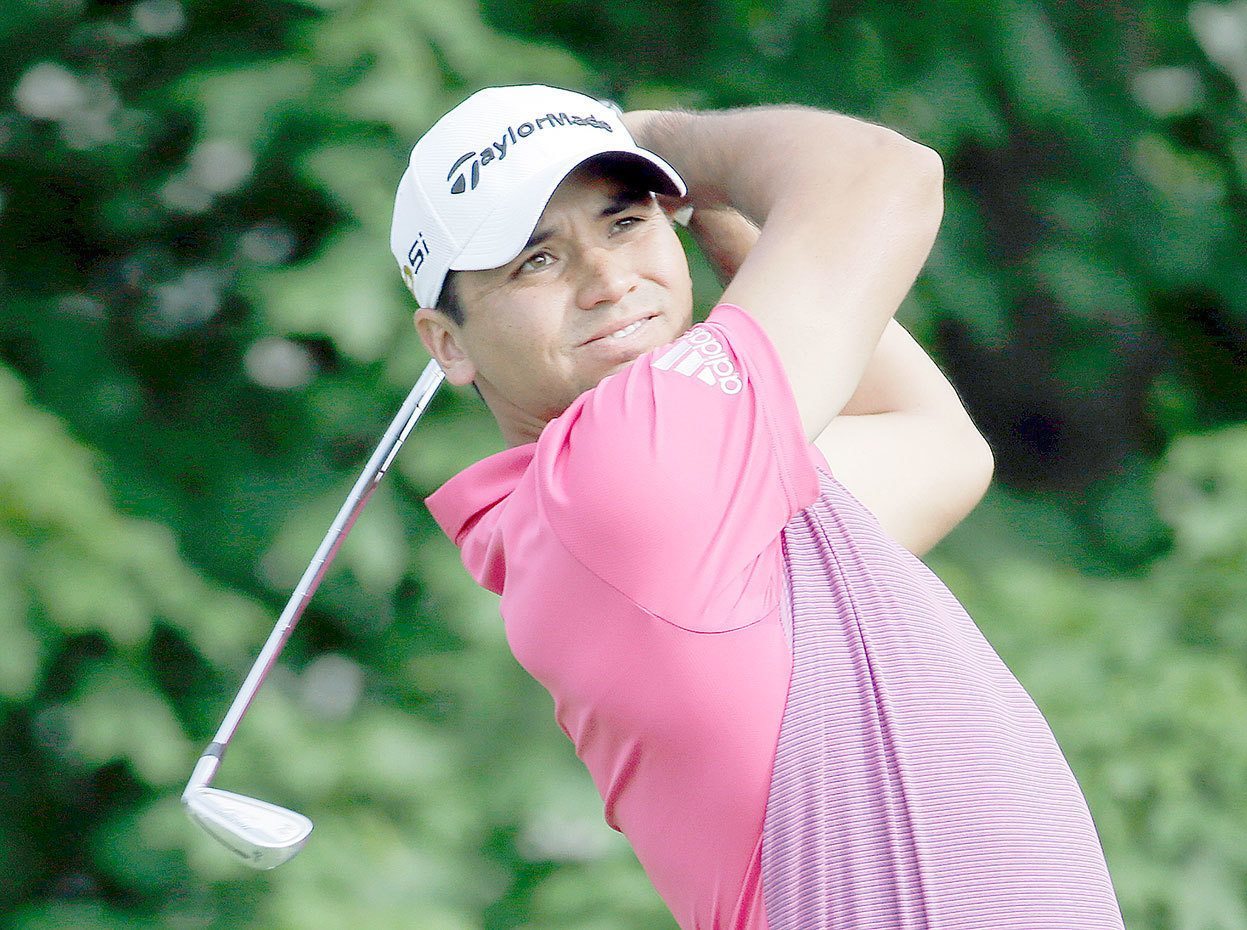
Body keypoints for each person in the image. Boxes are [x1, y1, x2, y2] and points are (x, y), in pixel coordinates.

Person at [390, 84, 1124, 930]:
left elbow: (935, 446)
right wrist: (672, 141)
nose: (607, 280)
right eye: (537, 261)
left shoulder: (678, 489)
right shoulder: (617, 474)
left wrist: (720, 222)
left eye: (627, 222)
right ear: (447, 343)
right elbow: (883, 173)